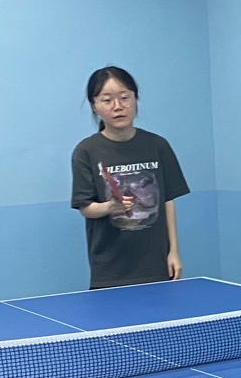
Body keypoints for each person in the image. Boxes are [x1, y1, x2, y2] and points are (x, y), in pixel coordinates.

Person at [71, 67, 189, 289]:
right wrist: (110, 207)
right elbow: (85, 207)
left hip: (157, 264)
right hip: (109, 268)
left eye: (124, 98)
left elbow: (168, 201)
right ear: (94, 106)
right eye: (107, 100)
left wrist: (174, 251)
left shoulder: (157, 145)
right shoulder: (86, 151)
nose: (118, 106)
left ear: (135, 99)